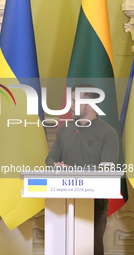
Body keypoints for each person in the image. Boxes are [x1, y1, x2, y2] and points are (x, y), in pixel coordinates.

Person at [46, 84, 119, 255]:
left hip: (94, 204)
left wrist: (73, 170)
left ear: (89, 103)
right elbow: (50, 158)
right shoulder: (64, 129)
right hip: (62, 201)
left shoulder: (108, 133)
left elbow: (106, 170)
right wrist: (55, 166)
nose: (69, 105)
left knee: (91, 249)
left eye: (74, 101)